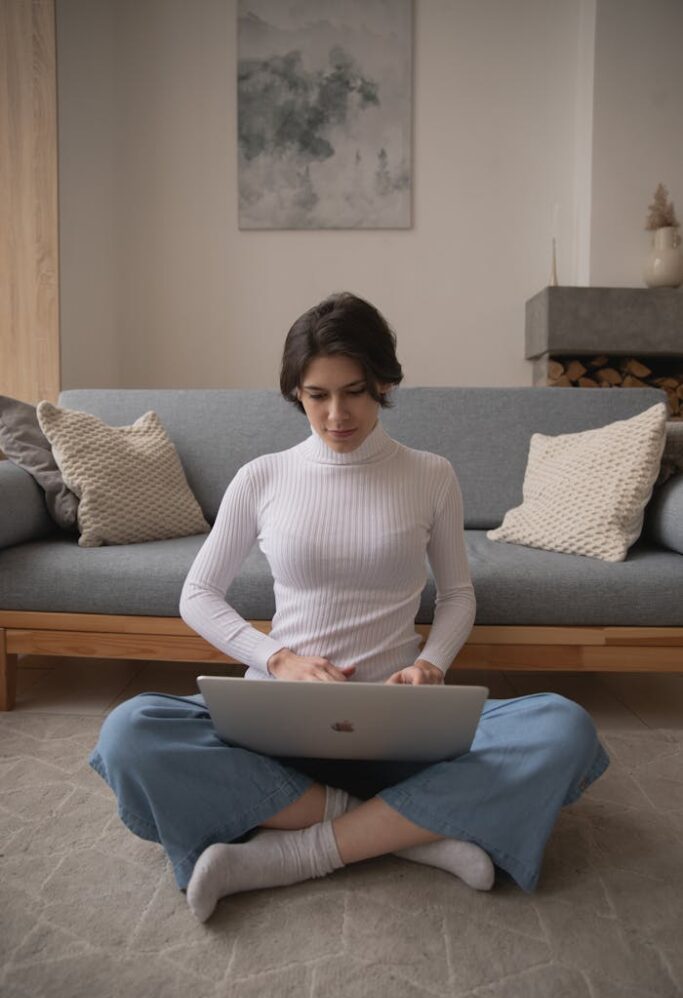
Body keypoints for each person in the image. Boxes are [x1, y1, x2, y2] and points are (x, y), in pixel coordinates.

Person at [89, 293, 610, 923]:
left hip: (399, 722)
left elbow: (456, 596)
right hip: (277, 724)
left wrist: (434, 667)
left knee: (563, 728)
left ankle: (290, 851)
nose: (336, 414)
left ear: (384, 383)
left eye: (355, 391)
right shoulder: (262, 475)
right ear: (296, 394)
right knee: (128, 732)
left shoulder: (430, 474)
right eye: (316, 395)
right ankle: (415, 832)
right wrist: (276, 658)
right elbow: (197, 596)